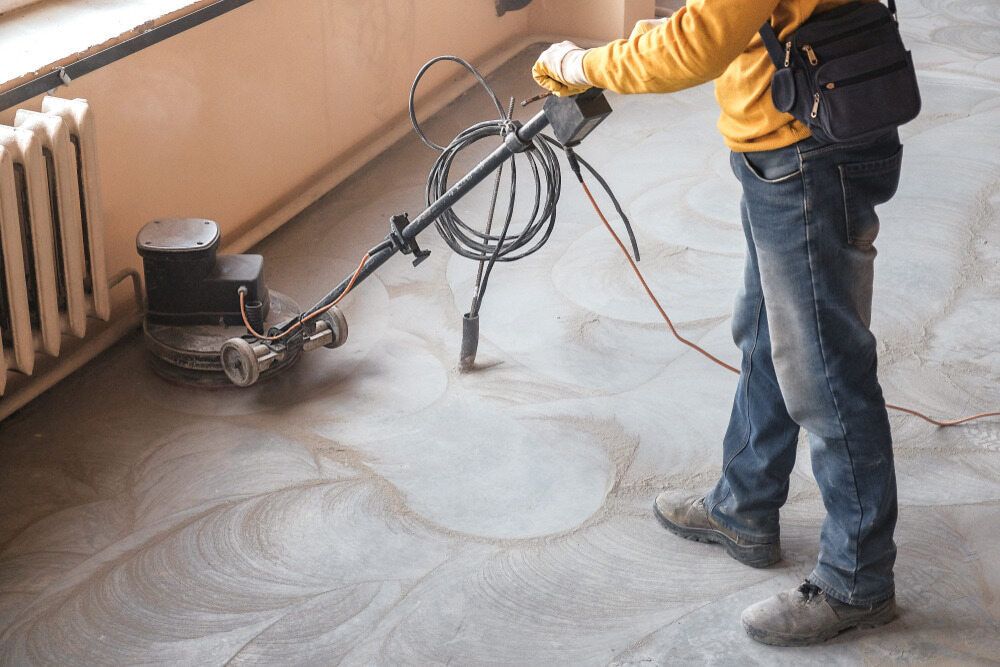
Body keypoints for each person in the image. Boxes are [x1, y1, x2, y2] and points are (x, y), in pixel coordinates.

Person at [532, 0, 903, 647]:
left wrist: (579, 63)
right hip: (794, 135)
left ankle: (857, 577)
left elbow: (699, 43)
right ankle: (745, 502)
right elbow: (728, 20)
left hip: (806, 151)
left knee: (824, 370)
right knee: (764, 329)